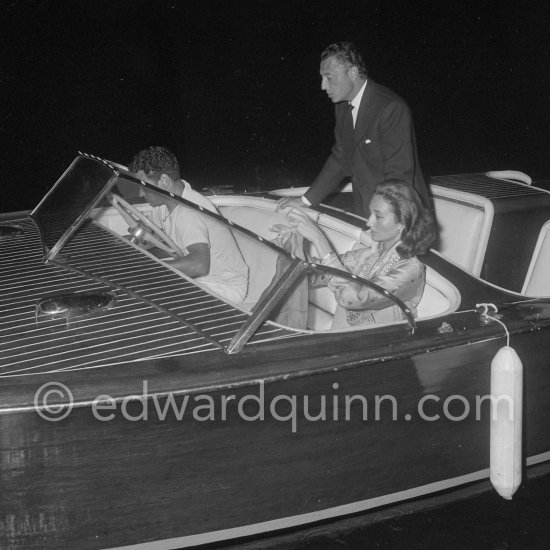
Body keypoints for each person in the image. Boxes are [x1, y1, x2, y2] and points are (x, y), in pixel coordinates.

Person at [277, 41, 430, 217]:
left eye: (329, 77)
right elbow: (341, 158)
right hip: (367, 211)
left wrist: (380, 218)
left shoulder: (390, 107)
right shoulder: (343, 107)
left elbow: (399, 176)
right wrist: (306, 200)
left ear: (353, 73)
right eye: (322, 78)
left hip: (402, 217)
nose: (323, 86)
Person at [285, 181, 435, 328]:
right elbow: (317, 275)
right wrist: (290, 247)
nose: (369, 222)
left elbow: (353, 298)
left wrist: (319, 240)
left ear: (402, 222)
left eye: (379, 216)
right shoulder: (371, 253)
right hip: (346, 338)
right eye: (370, 214)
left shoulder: (411, 270)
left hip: (378, 346)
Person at [127, 146, 249, 304]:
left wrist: (150, 271)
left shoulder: (189, 211)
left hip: (222, 288)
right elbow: (153, 240)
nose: (140, 193)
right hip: (200, 281)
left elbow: (199, 265)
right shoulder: (164, 203)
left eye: (143, 186)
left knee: (145, 298)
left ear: (164, 181)